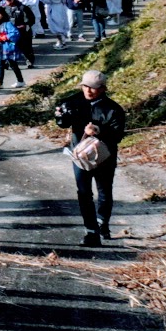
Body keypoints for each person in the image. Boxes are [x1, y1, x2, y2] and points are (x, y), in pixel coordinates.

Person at [55, 69, 128, 246]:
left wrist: (99, 131)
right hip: (79, 156)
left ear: (103, 88)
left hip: (104, 156)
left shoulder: (113, 109)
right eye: (85, 86)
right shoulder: (73, 101)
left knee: (104, 191)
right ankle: (91, 231)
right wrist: (60, 115)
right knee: (84, 192)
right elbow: (62, 123)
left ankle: (102, 222)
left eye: (93, 88)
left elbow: (117, 135)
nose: (88, 91)